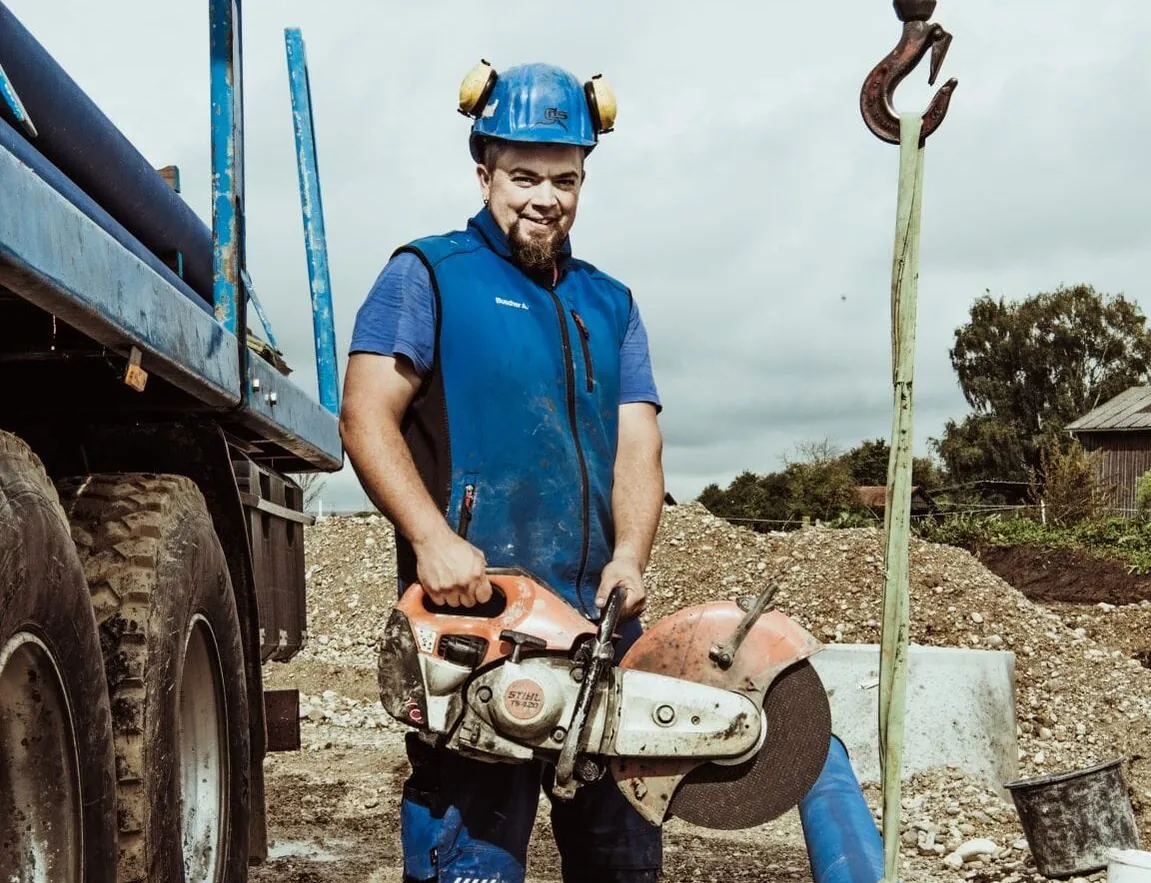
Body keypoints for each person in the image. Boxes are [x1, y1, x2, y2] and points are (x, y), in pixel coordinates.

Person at [339, 59, 666, 883]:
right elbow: (364, 414)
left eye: (565, 178)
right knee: (470, 865)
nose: (545, 197)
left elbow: (638, 443)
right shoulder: (427, 274)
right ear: (483, 172)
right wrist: (431, 539)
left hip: (601, 634)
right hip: (478, 625)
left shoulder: (611, 303)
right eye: (524, 176)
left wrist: (630, 557)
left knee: (623, 863)